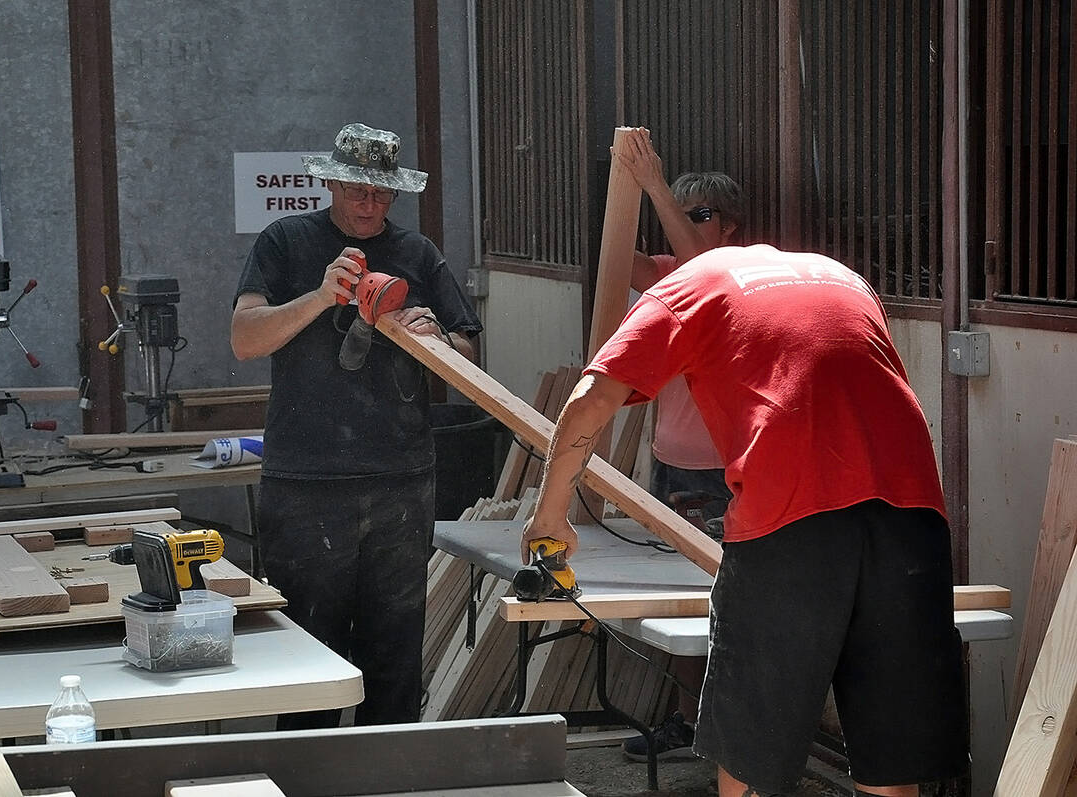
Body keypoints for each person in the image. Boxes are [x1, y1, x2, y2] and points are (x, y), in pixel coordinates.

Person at [521, 190, 966, 791]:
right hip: (913, 515)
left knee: (753, 755)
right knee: (891, 759)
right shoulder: (843, 278)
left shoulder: (685, 288)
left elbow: (588, 400)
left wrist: (551, 517)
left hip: (791, 516)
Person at [231, 122, 482, 728]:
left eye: (380, 193)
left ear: (394, 193)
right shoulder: (286, 243)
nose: (368, 204)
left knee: (393, 656)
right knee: (305, 655)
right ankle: (305, 778)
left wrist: (437, 342)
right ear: (333, 183)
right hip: (306, 481)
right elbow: (243, 339)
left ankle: (386, 781)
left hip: (400, 481)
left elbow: (469, 357)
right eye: (356, 191)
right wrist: (321, 297)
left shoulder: (418, 255)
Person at [620, 129, 743, 544]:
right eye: (679, 212)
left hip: (719, 464)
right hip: (667, 458)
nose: (686, 222)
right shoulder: (666, 270)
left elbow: (701, 267)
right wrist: (625, 184)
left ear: (729, 225)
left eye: (700, 215)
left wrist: (655, 185)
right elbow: (614, 259)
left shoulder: (735, 275)